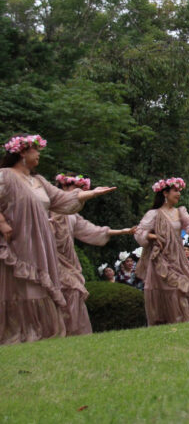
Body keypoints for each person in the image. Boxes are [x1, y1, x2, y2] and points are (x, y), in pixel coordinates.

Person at [0, 134, 116, 345]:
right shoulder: (5, 176)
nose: (39, 156)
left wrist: (91, 194)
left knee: (42, 286)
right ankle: (22, 333)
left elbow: (61, 200)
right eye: (36, 151)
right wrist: (2, 222)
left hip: (41, 243)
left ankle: (41, 332)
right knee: (25, 285)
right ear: (22, 152)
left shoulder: (39, 181)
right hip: (19, 240)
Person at [49, 173, 137, 336]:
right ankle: (54, 331)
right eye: (75, 190)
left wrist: (122, 231)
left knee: (74, 291)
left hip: (68, 260)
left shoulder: (73, 216)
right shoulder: (49, 208)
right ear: (64, 188)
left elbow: (91, 230)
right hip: (49, 258)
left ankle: (71, 332)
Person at [134, 177, 189, 325]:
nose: (178, 194)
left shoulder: (180, 211)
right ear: (165, 193)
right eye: (175, 190)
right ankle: (168, 322)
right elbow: (139, 232)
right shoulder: (154, 214)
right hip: (161, 259)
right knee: (171, 290)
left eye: (179, 191)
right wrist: (154, 236)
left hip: (178, 258)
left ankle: (181, 321)